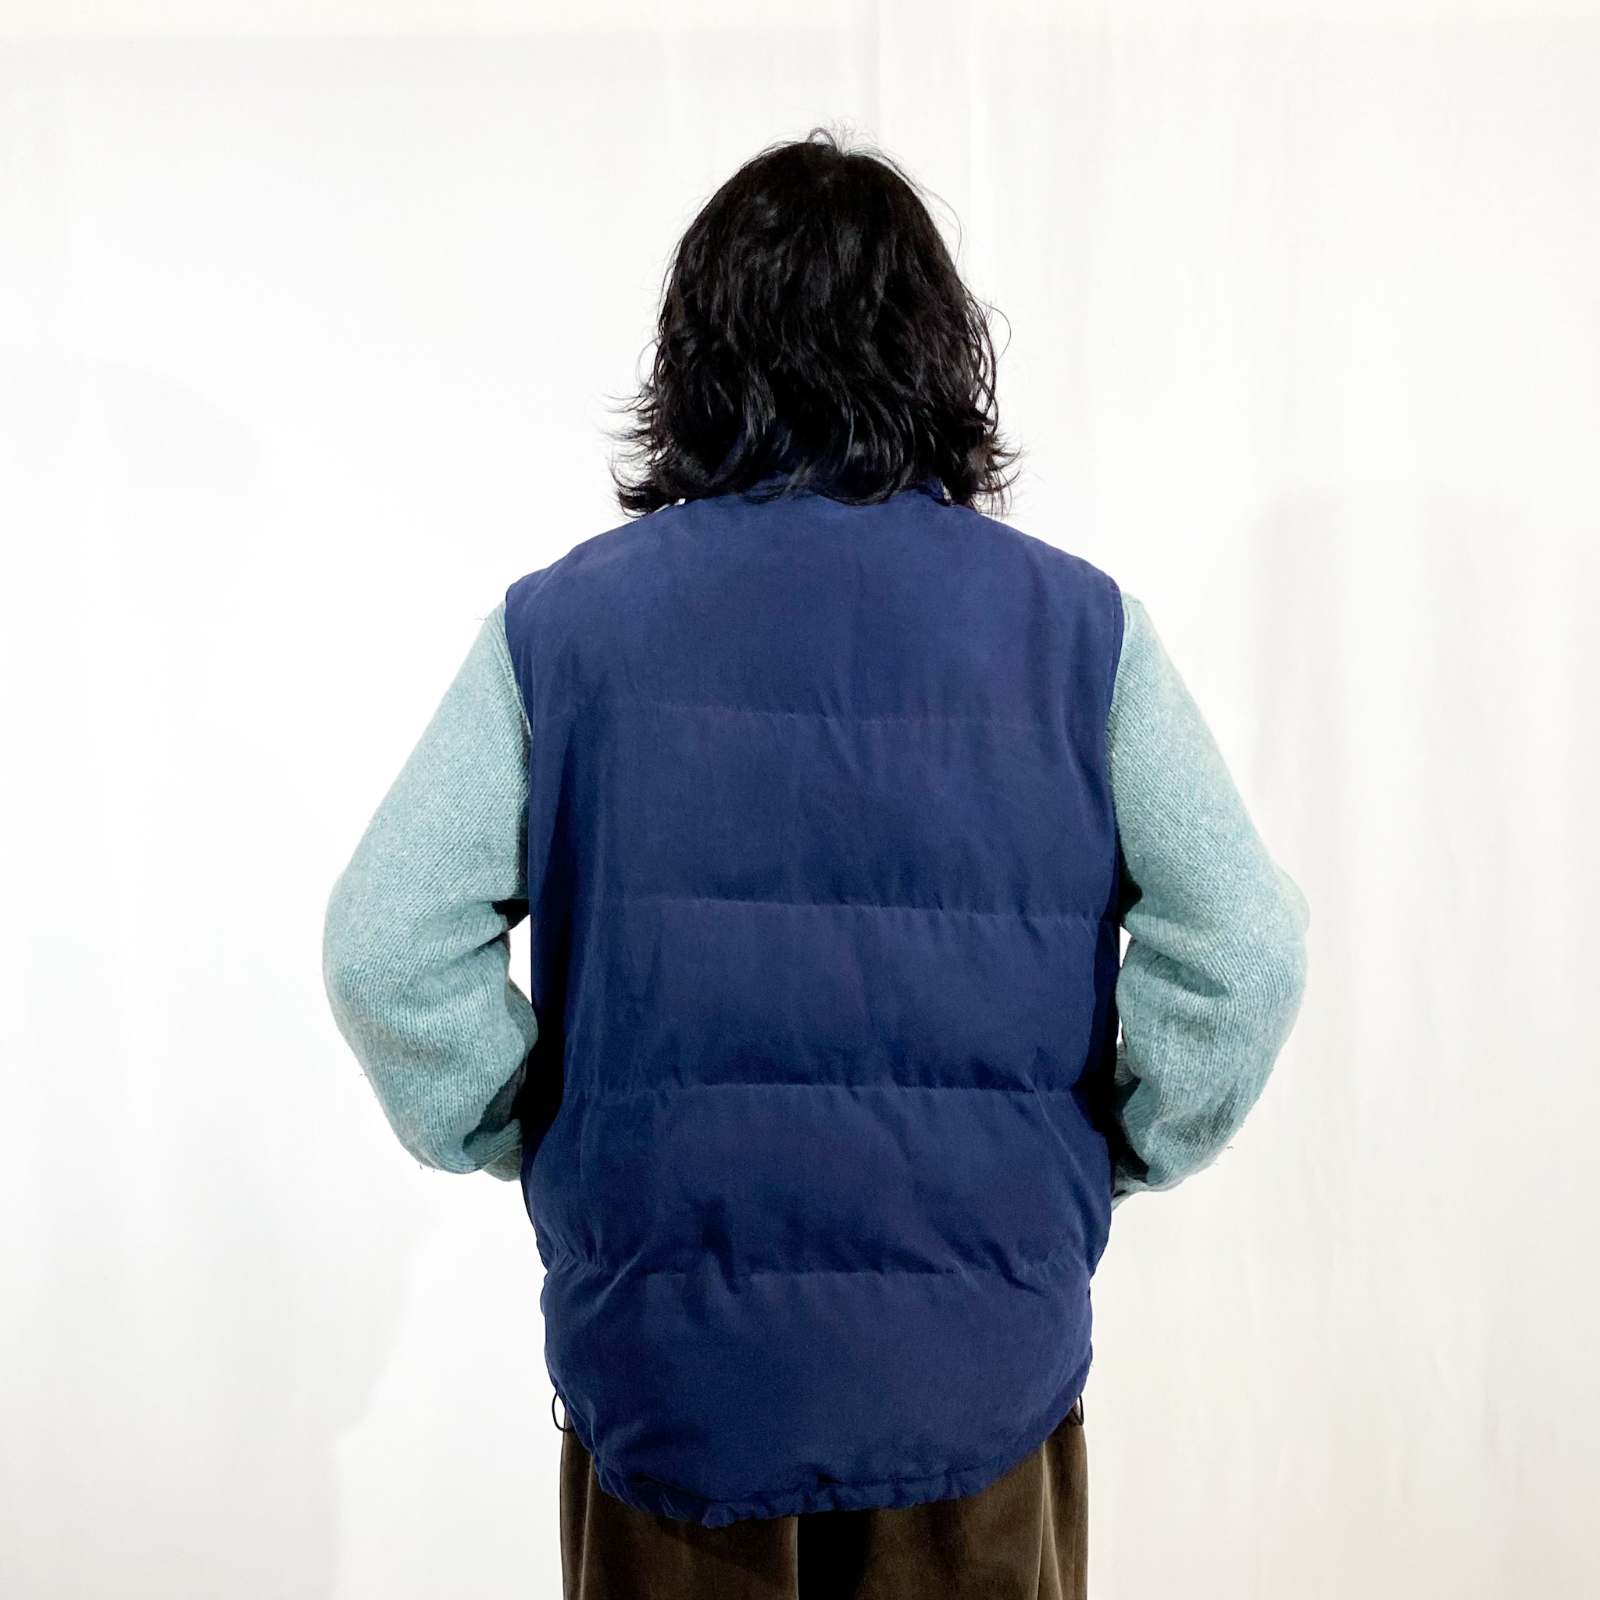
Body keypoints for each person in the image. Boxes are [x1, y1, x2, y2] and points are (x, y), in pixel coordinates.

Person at [322, 126, 1310, 1600]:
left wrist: (544, 1132)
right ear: (938, 352)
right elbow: (1246, 948)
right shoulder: (1077, 632)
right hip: (979, 1378)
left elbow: (386, 947)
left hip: (672, 1387)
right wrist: (1106, 1150)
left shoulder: (562, 630)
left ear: (697, 356)